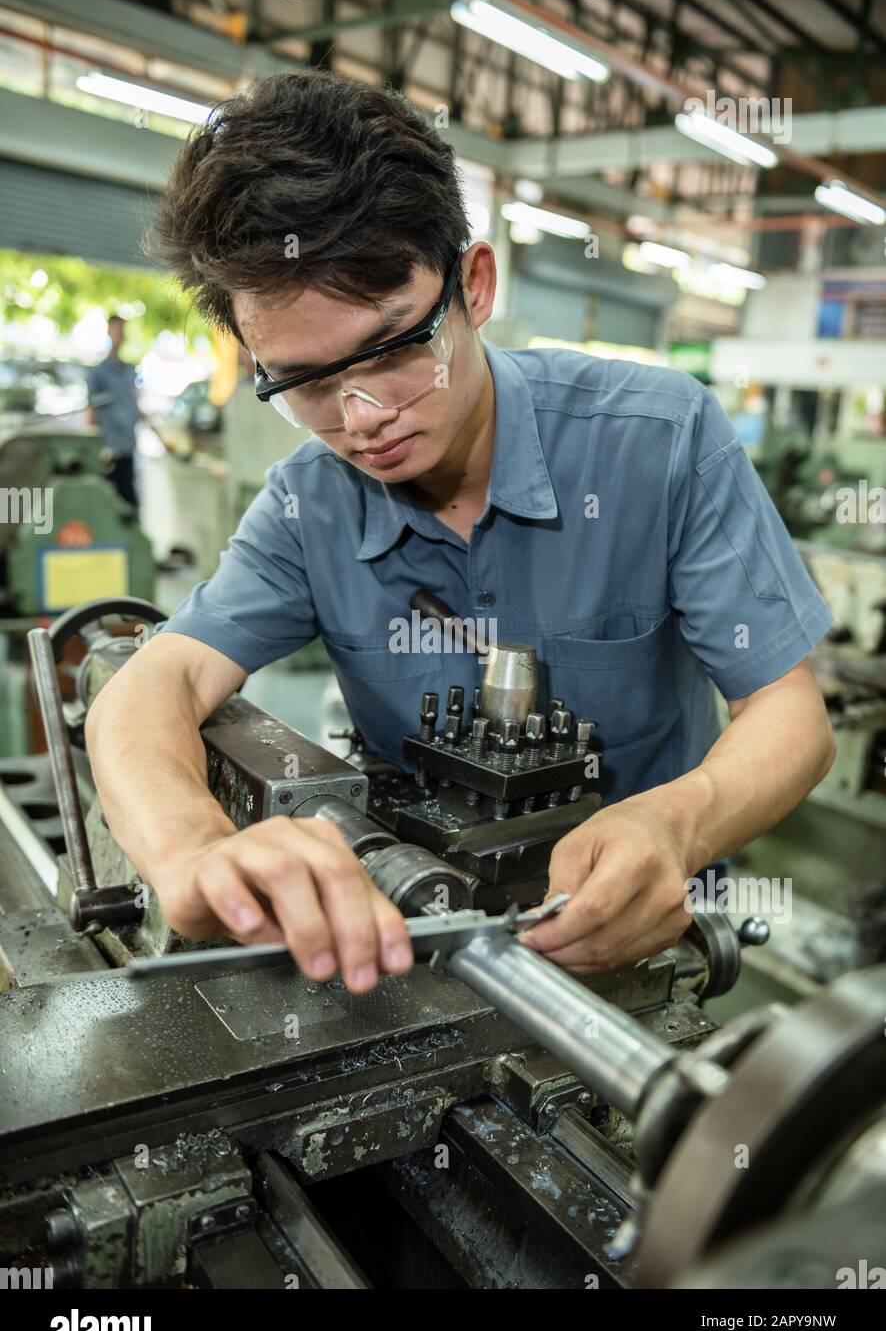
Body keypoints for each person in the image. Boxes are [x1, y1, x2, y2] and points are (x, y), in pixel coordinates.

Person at [85, 71, 835, 996]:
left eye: (391, 350)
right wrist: (191, 849)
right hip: (412, 963)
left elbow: (791, 715)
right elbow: (151, 683)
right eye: (306, 384)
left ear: (472, 287)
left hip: (639, 955)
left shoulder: (660, 440)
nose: (361, 417)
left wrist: (678, 824)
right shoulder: (308, 502)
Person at [86, 314, 141, 509]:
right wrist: (91, 445)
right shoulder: (98, 373)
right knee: (107, 505)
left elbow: (135, 406)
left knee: (130, 504)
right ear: (109, 331)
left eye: (122, 330)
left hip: (126, 447)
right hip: (107, 452)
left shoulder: (129, 371)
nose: (119, 334)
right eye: (116, 329)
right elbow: (91, 411)